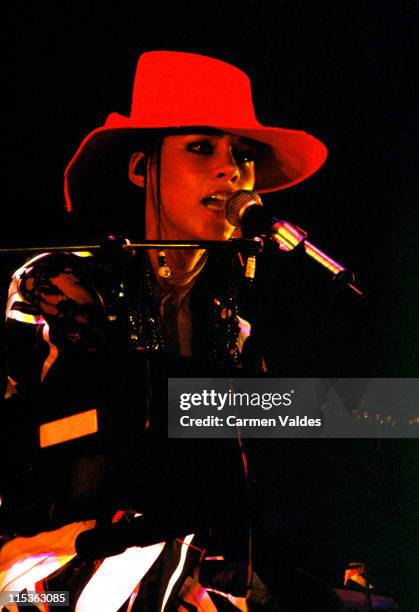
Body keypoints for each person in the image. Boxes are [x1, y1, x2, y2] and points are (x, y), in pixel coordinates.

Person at [0, 51, 328, 610]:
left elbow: (249, 478)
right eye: (201, 147)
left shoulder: (230, 327)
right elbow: (120, 436)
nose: (231, 171)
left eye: (242, 155)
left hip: (171, 570)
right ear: (140, 169)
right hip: (35, 577)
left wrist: (378, 412)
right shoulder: (62, 284)